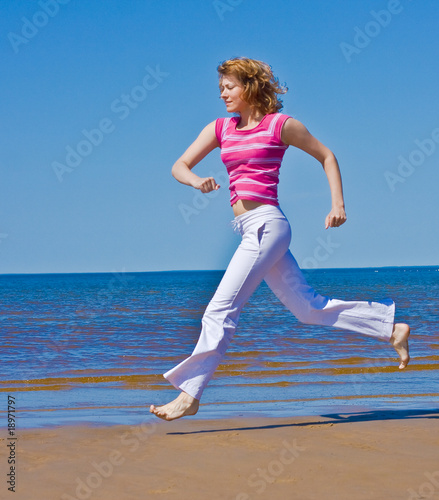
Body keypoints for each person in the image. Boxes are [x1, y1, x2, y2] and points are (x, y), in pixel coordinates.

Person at [150, 57, 410, 421]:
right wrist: (197, 181)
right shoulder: (221, 128)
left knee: (220, 310)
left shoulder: (280, 126)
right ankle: (389, 327)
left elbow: (327, 156)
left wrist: (338, 204)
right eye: (221, 88)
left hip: (267, 226)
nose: (223, 93)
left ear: (251, 86)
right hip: (249, 228)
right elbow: (180, 165)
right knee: (307, 308)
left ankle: (190, 393)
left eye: (230, 86)